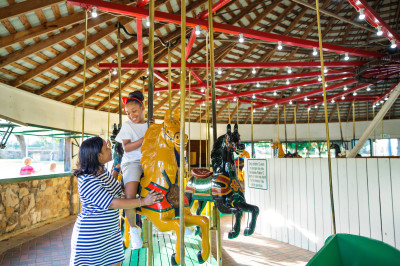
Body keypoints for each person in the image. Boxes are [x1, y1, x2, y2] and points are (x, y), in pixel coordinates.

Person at [70, 136, 162, 266]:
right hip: (92, 237)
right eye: (106, 148)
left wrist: (117, 170)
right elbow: (113, 203)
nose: (110, 149)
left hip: (111, 233)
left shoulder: (102, 171)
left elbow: (111, 188)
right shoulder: (87, 180)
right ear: (98, 156)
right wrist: (143, 201)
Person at [115, 90, 152, 250]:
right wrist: (146, 137)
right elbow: (127, 147)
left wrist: (152, 130)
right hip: (132, 162)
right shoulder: (128, 125)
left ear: (142, 107)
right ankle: (133, 231)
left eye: (134, 111)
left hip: (149, 161)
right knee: (130, 195)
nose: (131, 115)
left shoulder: (150, 124)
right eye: (128, 113)